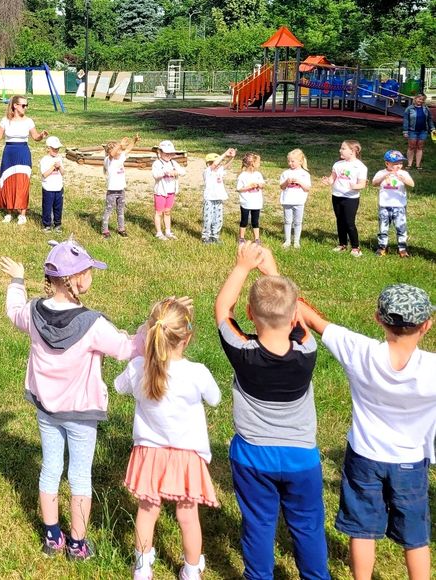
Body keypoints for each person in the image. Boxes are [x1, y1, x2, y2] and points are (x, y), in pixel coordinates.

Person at [0, 241, 145, 561]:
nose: (91, 277)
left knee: (50, 467)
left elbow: (13, 312)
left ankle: (53, 537)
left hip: (46, 409)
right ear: (76, 280)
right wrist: (153, 328)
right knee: (80, 475)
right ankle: (78, 544)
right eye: (89, 272)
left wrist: (17, 281)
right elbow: (125, 348)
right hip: (80, 413)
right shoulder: (93, 324)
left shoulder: (33, 311)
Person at [297, 284, 436, 580]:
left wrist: (271, 270)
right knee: (416, 535)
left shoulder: (359, 351)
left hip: (364, 457)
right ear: (427, 325)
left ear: (378, 318)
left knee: (361, 529)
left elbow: (313, 320)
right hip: (411, 462)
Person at [214, 244, 330, 580]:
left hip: (253, 457)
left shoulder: (242, 350)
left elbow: (223, 309)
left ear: (250, 314)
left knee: (259, 523)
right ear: (294, 316)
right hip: (301, 458)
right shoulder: (307, 349)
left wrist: (241, 267)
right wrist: (272, 273)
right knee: (308, 526)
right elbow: (298, 316)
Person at [115, 297, 220, 580]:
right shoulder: (196, 373)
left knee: (147, 512)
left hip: (150, 453)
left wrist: (141, 337)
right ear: (188, 338)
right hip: (186, 456)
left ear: (150, 333)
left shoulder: (138, 368)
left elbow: (118, 386)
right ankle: (190, 570)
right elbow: (215, 398)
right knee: (188, 516)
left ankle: (142, 568)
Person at [0, 96, 48, 225]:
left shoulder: (29, 121)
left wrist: (41, 136)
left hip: (23, 152)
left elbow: (35, 137)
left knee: (22, 182)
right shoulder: (5, 120)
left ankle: (22, 214)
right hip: (9, 153)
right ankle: (9, 212)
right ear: (15, 106)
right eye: (23, 105)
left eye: (26, 105)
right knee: (8, 181)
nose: (25, 108)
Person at [321, 139, 367, 256]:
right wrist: (328, 181)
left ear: (353, 151)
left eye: (343, 148)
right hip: (336, 196)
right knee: (340, 221)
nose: (340, 150)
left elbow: (362, 184)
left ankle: (356, 247)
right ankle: (342, 244)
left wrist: (355, 186)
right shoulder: (338, 164)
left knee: (349, 222)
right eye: (341, 148)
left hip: (351, 199)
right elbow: (332, 179)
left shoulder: (360, 167)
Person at [370, 149, 414, 257]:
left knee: (401, 227)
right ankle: (382, 247)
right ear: (387, 163)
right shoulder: (381, 173)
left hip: (399, 205)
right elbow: (374, 183)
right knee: (383, 228)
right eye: (395, 164)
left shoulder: (404, 173)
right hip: (384, 205)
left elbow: (412, 184)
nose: (398, 166)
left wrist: (404, 179)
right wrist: (383, 178)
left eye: (400, 163)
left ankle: (402, 248)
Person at [102, 135, 139, 238]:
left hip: (121, 190)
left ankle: (121, 228)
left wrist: (134, 141)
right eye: (117, 150)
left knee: (120, 210)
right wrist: (119, 145)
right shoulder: (108, 161)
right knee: (108, 210)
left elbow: (128, 149)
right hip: (112, 191)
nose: (119, 151)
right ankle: (105, 231)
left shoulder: (120, 158)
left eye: (119, 150)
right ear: (110, 152)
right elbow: (113, 153)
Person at [151, 140, 186, 240]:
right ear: (160, 152)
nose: (168, 155)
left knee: (167, 211)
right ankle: (158, 232)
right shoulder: (157, 163)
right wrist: (165, 172)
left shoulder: (173, 163)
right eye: (166, 153)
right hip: (160, 192)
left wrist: (176, 172)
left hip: (171, 191)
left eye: (170, 153)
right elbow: (155, 175)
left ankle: (168, 231)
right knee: (159, 212)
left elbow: (183, 172)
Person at [201, 148, 236, 244]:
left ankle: (215, 236)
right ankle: (206, 237)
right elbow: (215, 164)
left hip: (219, 198)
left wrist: (232, 157)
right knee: (208, 219)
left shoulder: (219, 171)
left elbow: (226, 166)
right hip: (209, 199)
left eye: (220, 163)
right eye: (216, 163)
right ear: (208, 164)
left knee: (218, 219)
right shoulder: (208, 171)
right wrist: (225, 154)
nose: (218, 165)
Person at [278, 149, 311, 249]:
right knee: (287, 221)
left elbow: (307, 188)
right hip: (287, 201)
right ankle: (287, 240)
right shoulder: (285, 173)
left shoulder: (305, 174)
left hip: (299, 202)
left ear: (300, 161)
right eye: (289, 161)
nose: (290, 163)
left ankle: (296, 241)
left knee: (297, 222)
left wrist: (300, 182)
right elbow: (282, 187)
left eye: (293, 161)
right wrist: (287, 182)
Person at [237, 152, 265, 245]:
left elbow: (262, 185)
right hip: (246, 202)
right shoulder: (243, 176)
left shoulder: (258, 174)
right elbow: (239, 189)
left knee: (255, 221)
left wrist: (260, 185)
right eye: (258, 162)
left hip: (256, 202)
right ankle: (241, 238)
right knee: (244, 220)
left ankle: (256, 239)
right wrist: (248, 187)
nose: (259, 164)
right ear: (252, 163)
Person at [38, 136, 64, 232]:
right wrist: (53, 167)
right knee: (47, 207)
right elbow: (44, 174)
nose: (56, 151)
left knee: (58, 208)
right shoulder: (44, 160)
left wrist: (60, 166)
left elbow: (63, 172)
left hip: (58, 187)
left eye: (57, 149)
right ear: (48, 148)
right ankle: (47, 225)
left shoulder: (59, 158)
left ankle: (57, 224)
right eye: (54, 149)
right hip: (48, 188)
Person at [402, 93, 432, 169]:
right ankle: (409, 164)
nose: (421, 101)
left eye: (422, 99)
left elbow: (429, 120)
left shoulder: (426, 108)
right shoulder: (409, 109)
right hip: (412, 131)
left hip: (423, 131)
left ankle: (418, 165)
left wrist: (433, 128)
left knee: (420, 147)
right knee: (411, 147)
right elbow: (406, 120)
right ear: (415, 99)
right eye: (419, 99)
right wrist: (405, 131)